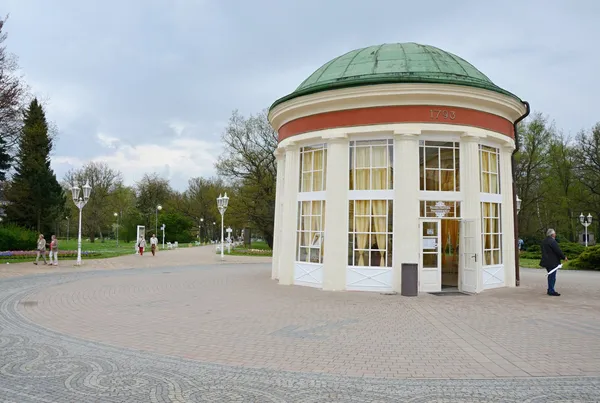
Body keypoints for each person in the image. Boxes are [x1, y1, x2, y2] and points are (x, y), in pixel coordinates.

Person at [540, 229, 567, 296]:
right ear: (552, 234)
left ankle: (550, 289)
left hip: (546, 261)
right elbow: (558, 250)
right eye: (555, 233)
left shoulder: (544, 241)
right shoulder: (552, 241)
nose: (555, 234)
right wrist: (564, 257)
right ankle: (551, 290)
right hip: (553, 262)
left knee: (550, 275)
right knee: (552, 276)